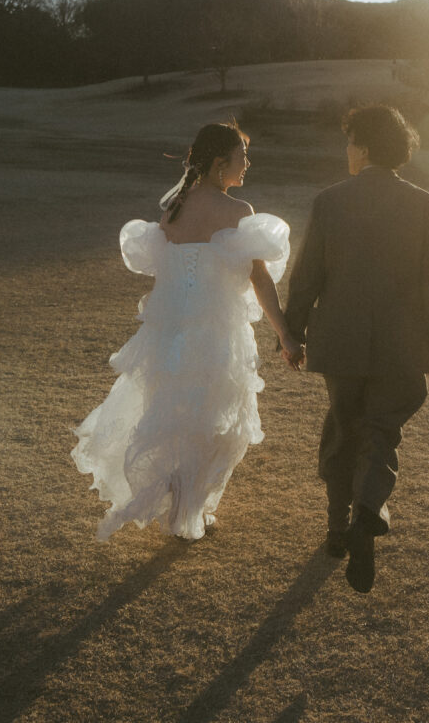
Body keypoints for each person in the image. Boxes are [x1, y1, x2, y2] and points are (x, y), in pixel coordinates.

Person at [283, 105, 429, 593]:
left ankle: (337, 533)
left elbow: (307, 275)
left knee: (344, 426)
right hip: (399, 345)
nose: (347, 150)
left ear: (365, 147)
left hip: (340, 341)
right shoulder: (422, 203)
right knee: (381, 431)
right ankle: (368, 509)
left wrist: (292, 334)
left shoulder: (330, 200)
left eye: (350, 141)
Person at [72, 122, 303, 541]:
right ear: (220, 164)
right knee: (216, 425)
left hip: (170, 334)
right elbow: (261, 280)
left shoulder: (174, 209)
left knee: (179, 419)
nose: (246, 165)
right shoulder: (238, 213)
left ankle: (184, 504)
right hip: (217, 334)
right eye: (241, 157)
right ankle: (185, 508)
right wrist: (285, 333)